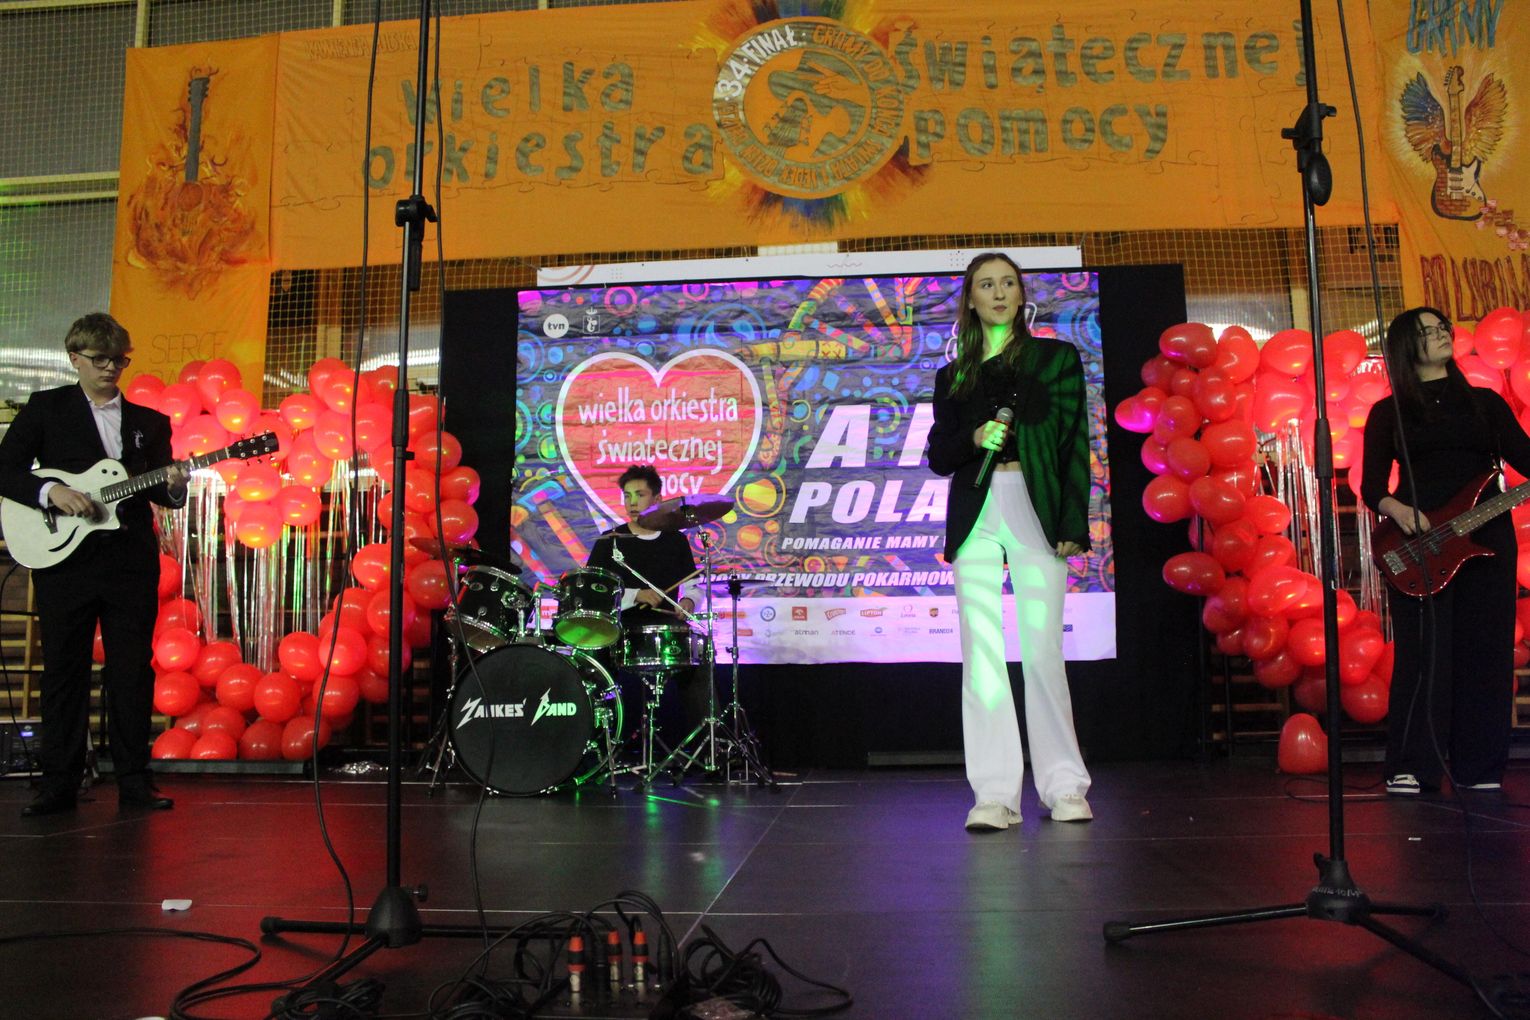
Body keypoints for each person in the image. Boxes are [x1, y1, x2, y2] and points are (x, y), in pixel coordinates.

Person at [927, 253, 1094, 832]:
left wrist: (1073, 522)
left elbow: (1075, 443)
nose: (998, 293)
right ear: (970, 300)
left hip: (1035, 505)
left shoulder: (1055, 359)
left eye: (1007, 283)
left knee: (1043, 650)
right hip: (976, 509)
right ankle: (994, 794)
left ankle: (1065, 785)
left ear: (1022, 295)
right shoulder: (954, 376)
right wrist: (973, 436)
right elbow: (938, 456)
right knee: (982, 655)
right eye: (986, 285)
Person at [0, 313, 187, 816]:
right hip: (65, 561)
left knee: (132, 672)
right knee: (64, 671)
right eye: (100, 359)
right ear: (75, 358)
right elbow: (5, 469)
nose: (111, 368)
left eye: (119, 360)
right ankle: (58, 783)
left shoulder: (150, 422)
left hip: (129, 562)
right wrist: (50, 491)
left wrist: (175, 486)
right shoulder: (47, 408)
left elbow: (164, 494)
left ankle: (135, 781)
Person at [1360, 306, 1530, 795]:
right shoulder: (1388, 412)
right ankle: (1413, 766)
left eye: (1442, 328)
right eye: (1427, 331)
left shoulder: (1485, 404)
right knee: (1423, 654)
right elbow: (1372, 486)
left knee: (1486, 651)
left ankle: (1480, 768)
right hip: (1420, 542)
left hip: (1487, 540)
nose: (1440, 335)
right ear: (1405, 346)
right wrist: (1397, 509)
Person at [584, 465, 708, 748]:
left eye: (640, 495)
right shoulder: (609, 541)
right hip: (620, 628)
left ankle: (704, 748)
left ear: (657, 499)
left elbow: (693, 585)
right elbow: (594, 590)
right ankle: (597, 745)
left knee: (700, 658)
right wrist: (635, 595)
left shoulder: (675, 540)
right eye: (627, 496)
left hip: (665, 627)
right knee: (592, 661)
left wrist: (688, 601)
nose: (632, 502)